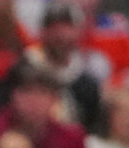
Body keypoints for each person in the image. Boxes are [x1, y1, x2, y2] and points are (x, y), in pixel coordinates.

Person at [32, 2, 106, 131]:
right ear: (43, 31)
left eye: (68, 27)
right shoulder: (25, 71)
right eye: (55, 27)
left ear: (80, 31)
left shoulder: (86, 83)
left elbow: (92, 125)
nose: (61, 34)